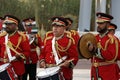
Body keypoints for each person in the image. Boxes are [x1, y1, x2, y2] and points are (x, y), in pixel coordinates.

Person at [88, 12, 120, 80]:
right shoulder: (94, 38)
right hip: (94, 72)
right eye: (98, 23)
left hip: (108, 72)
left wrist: (95, 50)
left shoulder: (112, 39)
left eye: (101, 23)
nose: (99, 25)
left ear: (108, 24)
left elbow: (111, 56)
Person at [0, 15, 30, 80]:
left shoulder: (22, 37)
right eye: (6, 24)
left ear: (16, 26)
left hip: (17, 68)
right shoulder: (1, 37)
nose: (7, 26)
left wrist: (20, 55)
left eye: (10, 24)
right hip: (2, 68)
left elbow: (27, 53)